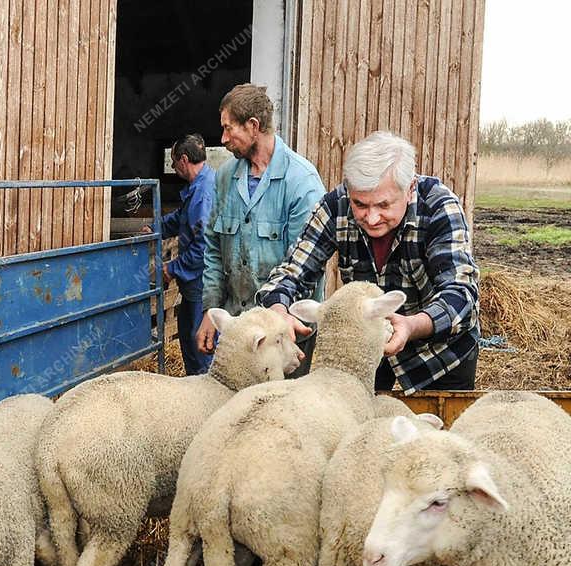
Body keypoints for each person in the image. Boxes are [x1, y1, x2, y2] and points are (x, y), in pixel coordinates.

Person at [256, 130, 480, 393]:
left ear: (409, 189)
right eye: (360, 204)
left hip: (440, 354)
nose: (371, 218)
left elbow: (460, 295)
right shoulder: (335, 206)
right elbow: (291, 272)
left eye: (383, 205)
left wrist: (411, 325)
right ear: (349, 190)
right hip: (367, 348)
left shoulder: (439, 208)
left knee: (437, 429)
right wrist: (279, 311)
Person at [196, 84, 325, 372]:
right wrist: (211, 310)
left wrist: (278, 321)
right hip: (238, 328)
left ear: (253, 126)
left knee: (281, 412)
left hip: (285, 334)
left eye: (230, 129)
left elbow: (306, 268)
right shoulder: (226, 177)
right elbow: (214, 248)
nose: (224, 138)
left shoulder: (301, 183)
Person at [144, 134, 216, 375]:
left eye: (174, 164)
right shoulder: (199, 187)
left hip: (201, 284)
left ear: (184, 160)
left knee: (200, 343)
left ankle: (203, 390)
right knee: (188, 334)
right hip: (194, 285)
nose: (174, 169)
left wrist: (171, 268)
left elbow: (202, 246)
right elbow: (180, 220)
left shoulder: (203, 194)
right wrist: (156, 228)